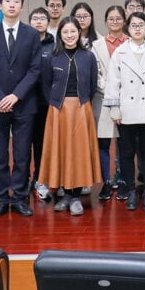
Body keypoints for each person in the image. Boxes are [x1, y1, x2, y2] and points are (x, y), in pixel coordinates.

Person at [0, 0, 43, 218]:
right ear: (0, 6)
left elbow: (35, 69)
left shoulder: (31, 34)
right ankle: (0, 198)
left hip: (24, 103)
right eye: (7, 1)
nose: (12, 4)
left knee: (21, 154)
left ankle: (19, 197)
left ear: (22, 6)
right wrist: (0, 98)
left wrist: (16, 95)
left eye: (16, 1)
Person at [105, 11, 145, 211]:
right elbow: (113, 82)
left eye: (141, 25)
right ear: (128, 29)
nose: (138, 29)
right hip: (126, 111)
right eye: (134, 25)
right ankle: (131, 190)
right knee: (126, 153)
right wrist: (114, 108)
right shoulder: (120, 53)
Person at [38, 17, 102, 216]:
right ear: (60, 34)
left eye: (73, 31)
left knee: (79, 152)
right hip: (58, 110)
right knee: (61, 151)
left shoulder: (88, 56)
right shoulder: (52, 57)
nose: (69, 35)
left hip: (82, 108)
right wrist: (56, 102)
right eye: (65, 32)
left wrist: (80, 102)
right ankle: (65, 194)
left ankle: (75, 197)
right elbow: (45, 84)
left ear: (79, 32)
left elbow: (92, 85)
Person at [91, 5, 128, 199]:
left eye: (118, 18)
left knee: (125, 143)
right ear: (106, 22)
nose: (115, 22)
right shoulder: (96, 45)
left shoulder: (131, 42)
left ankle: (122, 179)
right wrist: (112, 90)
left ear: (124, 21)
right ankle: (106, 181)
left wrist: (123, 91)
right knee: (103, 142)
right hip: (103, 98)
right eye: (111, 19)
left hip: (128, 100)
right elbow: (95, 73)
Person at [28, 7, 56, 201]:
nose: (38, 21)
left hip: (46, 104)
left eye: (42, 18)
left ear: (48, 21)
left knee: (41, 145)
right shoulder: (24, 43)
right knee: (22, 146)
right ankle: (23, 180)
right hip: (24, 103)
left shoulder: (55, 46)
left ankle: (40, 178)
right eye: (35, 18)